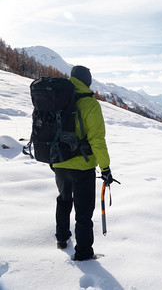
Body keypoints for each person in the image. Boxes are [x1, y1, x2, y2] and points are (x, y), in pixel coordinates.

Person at [52, 65, 114, 261]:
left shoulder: (57, 98)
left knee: (63, 199)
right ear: (87, 81)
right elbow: (97, 140)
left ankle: (62, 239)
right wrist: (105, 168)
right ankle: (84, 254)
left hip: (59, 162)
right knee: (83, 212)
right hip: (82, 166)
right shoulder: (90, 104)